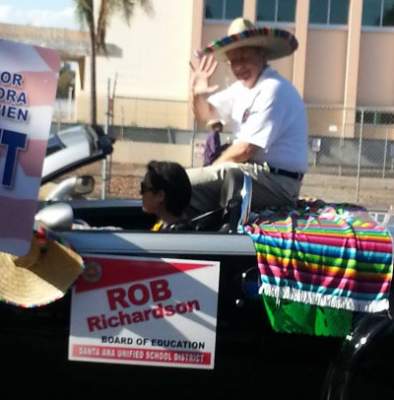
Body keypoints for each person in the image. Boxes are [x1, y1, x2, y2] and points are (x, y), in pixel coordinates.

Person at [188, 17, 308, 217]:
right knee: (188, 184)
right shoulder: (241, 90)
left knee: (183, 186)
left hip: (277, 183)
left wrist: (209, 172)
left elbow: (245, 149)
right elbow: (206, 115)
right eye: (233, 60)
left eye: (244, 58)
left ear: (262, 55)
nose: (238, 67)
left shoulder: (272, 89)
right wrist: (197, 94)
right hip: (253, 174)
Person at [140, 160, 192, 231]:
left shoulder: (173, 237)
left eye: (143, 188)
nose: (140, 193)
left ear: (160, 196)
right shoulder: (165, 225)